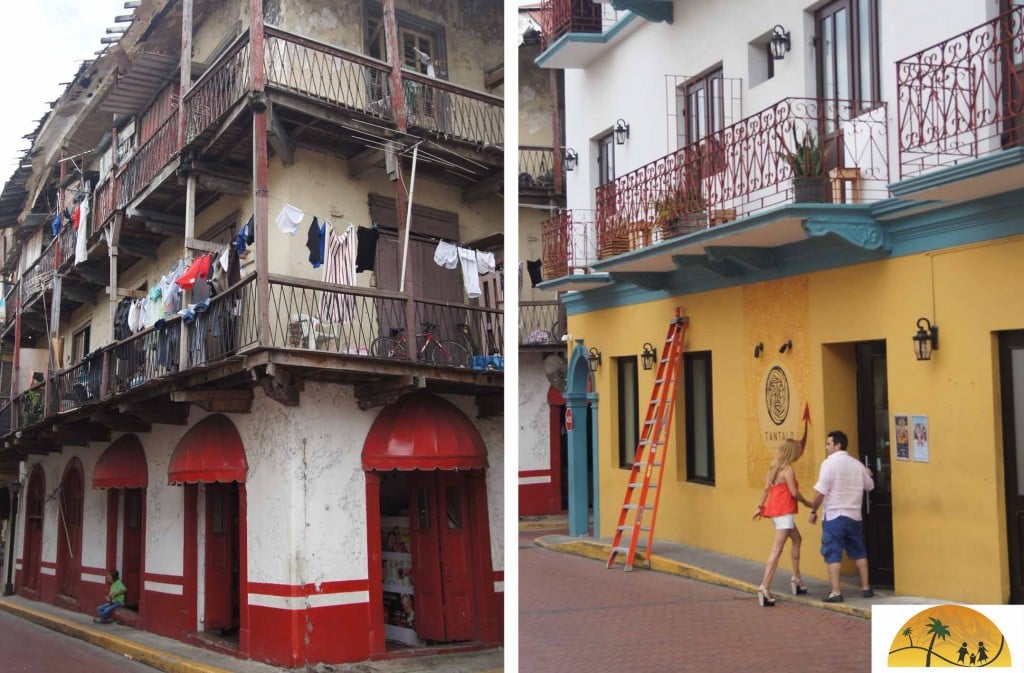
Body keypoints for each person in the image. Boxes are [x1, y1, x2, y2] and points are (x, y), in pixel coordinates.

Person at [807, 430, 874, 602]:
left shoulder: (829, 464)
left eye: (829, 444)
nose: (826, 447)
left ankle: (836, 591)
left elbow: (821, 492)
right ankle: (866, 588)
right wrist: (868, 473)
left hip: (835, 515)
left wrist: (814, 510)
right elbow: (870, 486)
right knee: (859, 552)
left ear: (838, 445)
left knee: (833, 553)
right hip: (854, 516)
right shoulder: (857, 464)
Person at [752, 438, 814, 606]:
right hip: (784, 513)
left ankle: (796, 577)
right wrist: (807, 502)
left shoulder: (774, 467)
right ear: (791, 453)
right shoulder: (787, 470)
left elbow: (766, 489)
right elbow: (794, 493)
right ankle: (764, 587)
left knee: (797, 539)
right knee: (777, 550)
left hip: (775, 512)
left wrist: (760, 507)